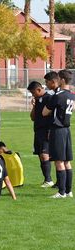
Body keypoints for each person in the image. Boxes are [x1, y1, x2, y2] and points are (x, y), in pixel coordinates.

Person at [42, 70, 75, 198]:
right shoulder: (72, 95)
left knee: (59, 161)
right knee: (67, 161)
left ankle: (61, 192)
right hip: (67, 129)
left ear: (61, 80)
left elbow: (45, 112)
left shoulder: (58, 95)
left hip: (58, 129)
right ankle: (69, 191)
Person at [27, 81, 54, 187]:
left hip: (46, 131)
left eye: (33, 93)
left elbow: (52, 116)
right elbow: (33, 117)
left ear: (39, 89)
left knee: (44, 155)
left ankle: (49, 180)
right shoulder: (38, 100)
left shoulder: (49, 98)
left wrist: (50, 130)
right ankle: (47, 180)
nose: (33, 95)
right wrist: (34, 105)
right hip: (37, 131)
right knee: (40, 155)